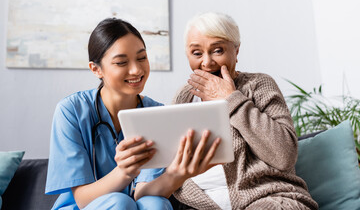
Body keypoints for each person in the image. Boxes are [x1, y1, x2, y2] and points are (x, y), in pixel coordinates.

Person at [45, 18, 220, 210]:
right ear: (96, 69)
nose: (136, 69)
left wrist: (179, 174)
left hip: (131, 205)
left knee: (155, 204)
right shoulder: (71, 111)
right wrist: (124, 172)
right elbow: (83, 199)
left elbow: (143, 192)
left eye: (141, 58)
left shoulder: (156, 113)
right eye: (121, 62)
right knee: (120, 202)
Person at [171, 12, 319, 210]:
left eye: (217, 50)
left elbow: (284, 156)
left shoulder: (258, 85)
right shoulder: (184, 97)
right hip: (200, 204)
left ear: (236, 50)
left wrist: (231, 99)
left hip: (267, 199)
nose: (206, 62)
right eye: (197, 53)